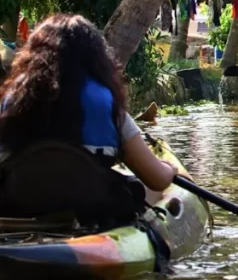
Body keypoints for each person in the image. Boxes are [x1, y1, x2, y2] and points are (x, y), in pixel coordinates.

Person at [0, 14, 178, 190]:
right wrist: (170, 169)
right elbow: (158, 181)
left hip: (18, 206)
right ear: (98, 58)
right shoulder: (105, 102)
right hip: (88, 207)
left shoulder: (13, 96)